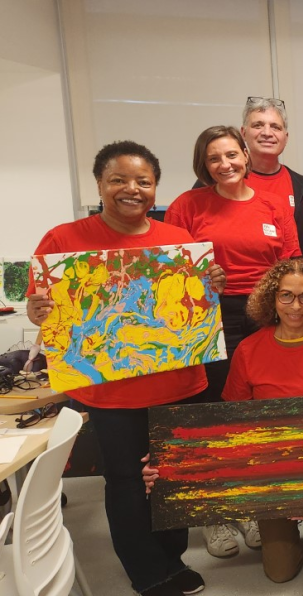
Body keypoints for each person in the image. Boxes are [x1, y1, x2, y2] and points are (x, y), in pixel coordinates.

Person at [27, 141, 224, 596]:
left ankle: (173, 560)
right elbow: (43, 310)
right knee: (126, 481)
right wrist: (39, 312)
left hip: (179, 384)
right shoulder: (63, 240)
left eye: (143, 181)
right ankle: (146, 571)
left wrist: (212, 284)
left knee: (175, 476)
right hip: (110, 394)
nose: (131, 189)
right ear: (100, 183)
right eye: (118, 179)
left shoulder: (178, 241)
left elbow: (195, 308)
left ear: (156, 188)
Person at [144, 257, 303, 583]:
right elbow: (232, 431)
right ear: (272, 298)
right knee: (279, 572)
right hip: (273, 474)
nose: (296, 306)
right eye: (286, 295)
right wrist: (171, 466)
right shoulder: (248, 350)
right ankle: (280, 524)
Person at [166, 125, 300, 557]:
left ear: (245, 154)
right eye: (213, 158)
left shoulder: (273, 203)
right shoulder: (189, 204)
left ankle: (249, 507)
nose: (225, 164)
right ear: (202, 166)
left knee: (255, 411)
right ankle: (213, 515)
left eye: (231, 154)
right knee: (209, 410)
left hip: (264, 315)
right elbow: (170, 269)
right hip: (208, 316)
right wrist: (200, 280)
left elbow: (291, 264)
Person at [192, 97, 303, 275]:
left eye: (275, 127)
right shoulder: (213, 181)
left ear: (285, 137)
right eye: (258, 125)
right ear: (243, 133)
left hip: (284, 294)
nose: (267, 133)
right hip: (220, 293)